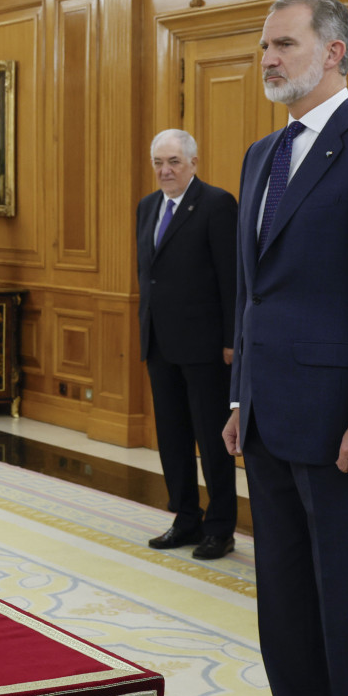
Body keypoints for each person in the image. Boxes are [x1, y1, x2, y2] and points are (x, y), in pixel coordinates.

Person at [222, 0, 348, 696]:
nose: (267, 59)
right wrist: (239, 398)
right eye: (264, 46)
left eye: (283, 44)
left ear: (333, 53)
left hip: (341, 430)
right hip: (266, 421)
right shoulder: (261, 154)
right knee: (282, 607)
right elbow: (251, 291)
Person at [136, 129, 237, 560]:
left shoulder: (216, 204)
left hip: (206, 347)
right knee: (172, 436)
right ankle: (185, 517)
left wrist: (233, 341)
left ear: (194, 163)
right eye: (159, 162)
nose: (165, 170)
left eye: (174, 161)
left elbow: (232, 278)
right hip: (159, 341)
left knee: (212, 441)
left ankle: (220, 527)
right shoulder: (146, 207)